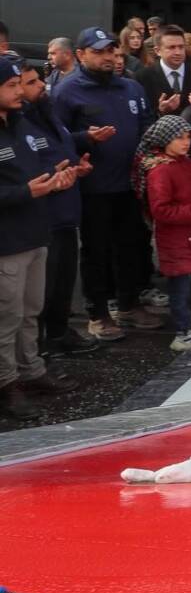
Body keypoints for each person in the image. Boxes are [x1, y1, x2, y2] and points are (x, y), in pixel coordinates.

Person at [54, 27, 162, 341]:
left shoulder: (131, 86)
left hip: (130, 184)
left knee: (132, 246)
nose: (108, 57)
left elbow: (147, 125)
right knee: (96, 251)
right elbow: (56, 139)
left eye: (111, 51)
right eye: (99, 51)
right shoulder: (66, 92)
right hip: (94, 188)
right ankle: (98, 313)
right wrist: (85, 138)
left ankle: (128, 304)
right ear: (80, 55)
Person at [0, 54, 79, 420]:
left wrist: (57, 175)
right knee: (7, 316)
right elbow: (19, 186)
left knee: (31, 310)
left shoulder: (22, 123)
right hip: (7, 242)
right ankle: (6, 383)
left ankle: (30, 369)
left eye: (21, 84)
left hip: (35, 233)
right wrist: (24, 193)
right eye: (12, 86)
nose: (20, 91)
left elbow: (37, 168)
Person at [17, 62, 99, 356]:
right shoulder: (18, 124)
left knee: (64, 281)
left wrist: (79, 159)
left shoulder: (47, 113)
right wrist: (54, 176)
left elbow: (59, 145)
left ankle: (59, 333)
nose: (41, 85)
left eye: (39, 79)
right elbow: (25, 168)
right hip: (43, 218)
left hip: (67, 212)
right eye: (30, 82)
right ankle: (38, 347)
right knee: (43, 289)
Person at [134, 116, 191, 351]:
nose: (186, 142)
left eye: (188, 137)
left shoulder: (186, 162)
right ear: (164, 140)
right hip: (176, 238)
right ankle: (183, 332)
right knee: (181, 287)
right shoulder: (160, 171)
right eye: (179, 138)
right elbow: (160, 210)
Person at [136, 24, 191, 117]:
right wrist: (160, 111)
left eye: (181, 47)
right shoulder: (142, 77)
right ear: (157, 51)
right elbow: (141, 116)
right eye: (171, 47)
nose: (178, 52)